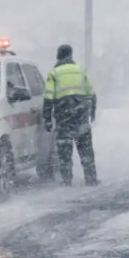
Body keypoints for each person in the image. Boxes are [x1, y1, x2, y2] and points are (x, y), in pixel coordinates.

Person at [43, 44, 98, 186]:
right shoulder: (80, 70)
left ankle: (67, 181)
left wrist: (47, 118)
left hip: (63, 118)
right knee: (85, 148)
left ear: (59, 55)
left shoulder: (54, 73)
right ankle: (91, 179)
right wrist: (92, 112)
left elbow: (48, 97)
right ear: (70, 55)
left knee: (64, 151)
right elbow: (91, 94)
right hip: (81, 116)